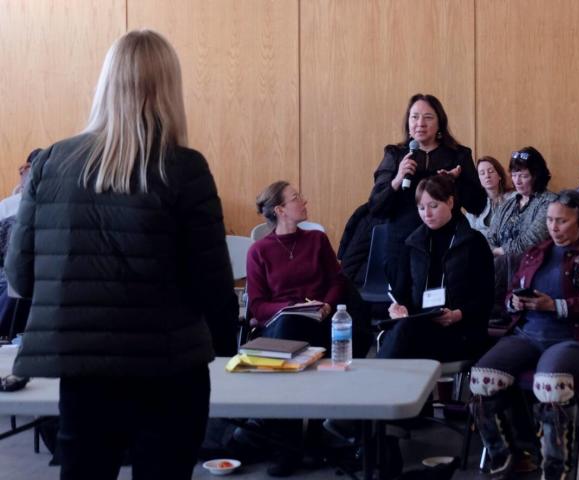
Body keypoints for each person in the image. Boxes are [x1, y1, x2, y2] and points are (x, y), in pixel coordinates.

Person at [5, 30, 238, 480]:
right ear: (169, 87)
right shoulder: (184, 168)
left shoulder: (51, 163)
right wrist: (227, 347)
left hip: (83, 367)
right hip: (170, 367)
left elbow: (21, 275)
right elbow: (211, 283)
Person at [470, 190, 579, 480]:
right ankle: (507, 455)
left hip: (574, 338)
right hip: (528, 333)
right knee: (481, 378)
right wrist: (515, 302)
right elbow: (513, 290)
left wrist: (555, 305)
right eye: (550, 220)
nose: (553, 227)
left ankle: (555, 468)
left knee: (549, 384)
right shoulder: (536, 252)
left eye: (561, 221)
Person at [243, 180, 347, 477]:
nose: (304, 201)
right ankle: (298, 443)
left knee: (302, 335)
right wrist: (287, 310)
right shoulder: (259, 251)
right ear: (280, 210)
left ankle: (296, 443)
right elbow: (258, 306)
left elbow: (337, 281)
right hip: (282, 326)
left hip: (320, 320)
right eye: (296, 198)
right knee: (290, 326)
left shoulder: (316, 240)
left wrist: (326, 305)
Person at [368, 93, 485, 281]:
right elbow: (376, 208)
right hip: (403, 244)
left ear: (440, 123)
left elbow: (478, 204)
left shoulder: (458, 155)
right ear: (408, 122)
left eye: (428, 117)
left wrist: (453, 183)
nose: (420, 123)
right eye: (414, 117)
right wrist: (397, 179)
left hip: (448, 245)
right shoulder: (395, 155)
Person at [378, 175, 493, 361]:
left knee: (402, 338)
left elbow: (486, 297)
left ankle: (377, 381)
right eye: (421, 208)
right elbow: (401, 293)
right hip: (418, 325)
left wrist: (457, 315)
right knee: (402, 331)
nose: (427, 214)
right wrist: (397, 308)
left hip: (460, 329)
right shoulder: (413, 243)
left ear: (450, 202)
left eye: (433, 206)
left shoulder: (473, 242)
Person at [487, 147, 556, 318]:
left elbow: (531, 240)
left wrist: (499, 251)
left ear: (536, 176)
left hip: (531, 264)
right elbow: (490, 236)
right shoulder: (509, 202)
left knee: (500, 262)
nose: (517, 180)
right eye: (514, 174)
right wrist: (492, 250)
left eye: (524, 176)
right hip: (499, 263)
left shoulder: (549, 202)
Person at [465, 155, 513, 238]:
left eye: (491, 171)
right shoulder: (474, 202)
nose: (487, 176)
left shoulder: (513, 198)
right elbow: (469, 232)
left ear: (499, 175)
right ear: (478, 179)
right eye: (482, 173)